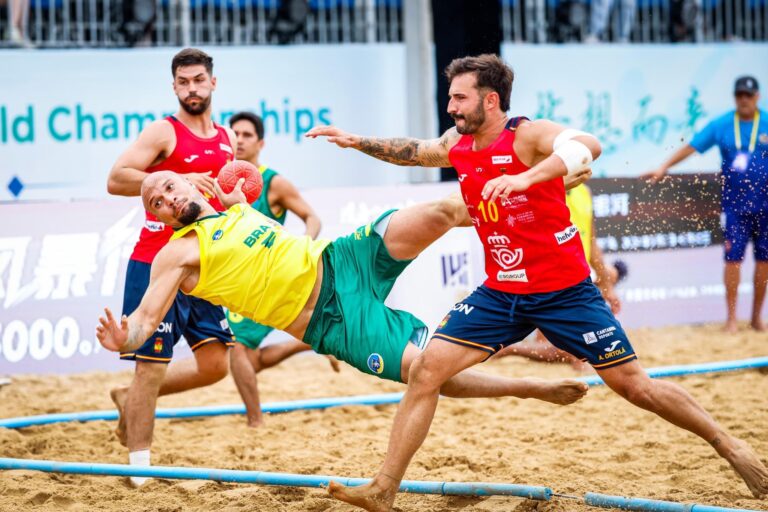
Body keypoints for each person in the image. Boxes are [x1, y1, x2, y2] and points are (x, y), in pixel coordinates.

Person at [306, 54, 768, 509]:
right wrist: (354, 140)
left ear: (490, 101)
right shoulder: (458, 143)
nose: (451, 106)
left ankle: (729, 445)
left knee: (635, 387)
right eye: (450, 97)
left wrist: (527, 178)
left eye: (459, 98)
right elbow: (414, 151)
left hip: (565, 292)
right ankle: (384, 488)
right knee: (427, 371)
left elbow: (587, 144)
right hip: (502, 290)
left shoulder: (527, 135)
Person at [97, 171, 591, 440]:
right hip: (332, 321)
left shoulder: (233, 204)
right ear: (159, 218)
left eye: (168, 185)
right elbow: (143, 321)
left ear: (189, 184)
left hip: (342, 259)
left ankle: (537, 186)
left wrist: (231, 197)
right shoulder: (175, 254)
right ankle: (528, 389)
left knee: (442, 211)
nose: (165, 195)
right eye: (156, 200)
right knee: (426, 370)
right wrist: (127, 338)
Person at [106, 48, 237, 486]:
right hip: (157, 261)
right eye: (183, 82)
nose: (192, 88)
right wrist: (167, 182)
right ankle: (140, 475)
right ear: (174, 86)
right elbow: (115, 177)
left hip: (203, 264)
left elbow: (222, 200)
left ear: (213, 83)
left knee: (216, 364)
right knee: (150, 366)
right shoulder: (165, 131)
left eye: (199, 80)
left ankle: (132, 398)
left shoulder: (225, 138)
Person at [226, 111, 332, 428]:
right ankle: (310, 342)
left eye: (246, 134)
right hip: (234, 279)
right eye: (235, 134)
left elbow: (313, 218)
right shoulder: (223, 179)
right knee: (248, 359)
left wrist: (303, 246)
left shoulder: (273, 182)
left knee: (235, 348)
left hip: (264, 278)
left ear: (260, 143)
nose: (240, 140)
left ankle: (255, 421)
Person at [644, 76, 768, 334]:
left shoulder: (765, 121)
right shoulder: (722, 124)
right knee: (732, 260)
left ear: (757, 97)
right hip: (735, 206)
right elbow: (692, 147)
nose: (744, 100)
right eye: (739, 95)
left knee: (764, 261)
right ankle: (731, 319)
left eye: (748, 95)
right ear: (735, 97)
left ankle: (756, 318)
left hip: (765, 205)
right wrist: (663, 167)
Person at [495, 183, 626, 368]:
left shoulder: (584, 191)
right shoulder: (539, 191)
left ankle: (510, 349)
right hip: (550, 279)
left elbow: (591, 242)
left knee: (585, 349)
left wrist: (608, 287)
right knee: (572, 351)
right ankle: (509, 349)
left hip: (579, 277)